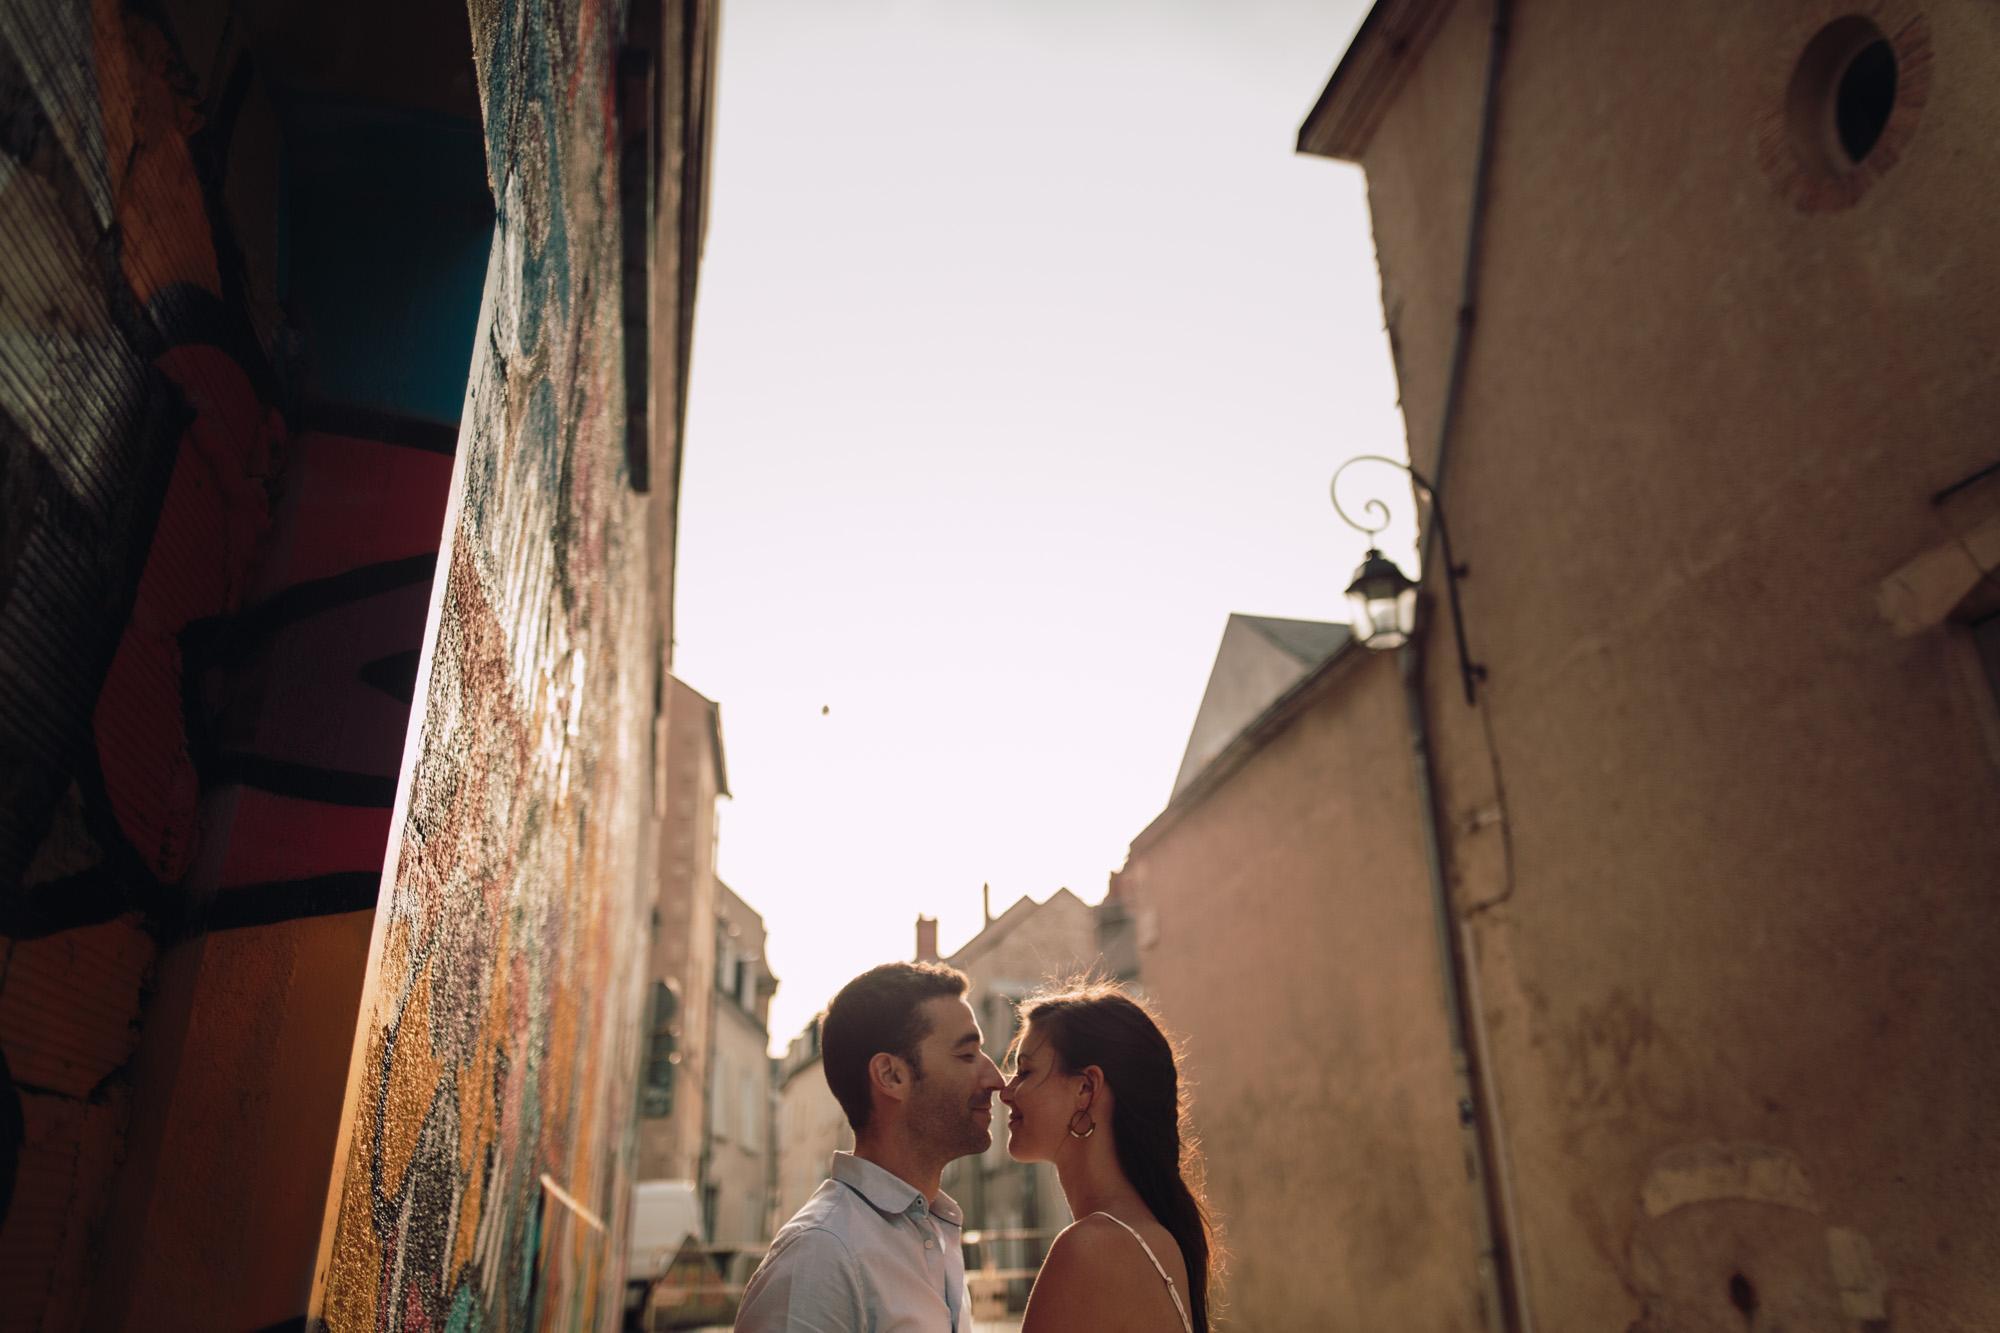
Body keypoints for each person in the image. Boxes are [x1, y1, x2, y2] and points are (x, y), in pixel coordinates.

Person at [735, 961, 1004, 1332]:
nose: (996, 1079)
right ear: (891, 1076)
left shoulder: (931, 1233)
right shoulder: (820, 1256)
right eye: (966, 1055)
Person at [1000, 980, 1215, 1333]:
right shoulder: (1156, 1237)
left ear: (1086, 1088)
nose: (1005, 1093)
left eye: (1025, 1072)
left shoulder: (1090, 1248)